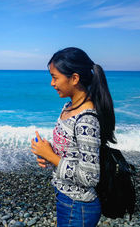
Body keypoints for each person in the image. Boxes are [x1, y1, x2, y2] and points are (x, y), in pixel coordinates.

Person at [31, 47, 116, 227]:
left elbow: (90, 177)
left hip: (78, 206)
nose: (52, 83)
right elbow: (70, 154)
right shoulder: (68, 107)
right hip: (66, 199)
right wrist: (47, 154)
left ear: (75, 78)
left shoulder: (86, 120)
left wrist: (51, 156)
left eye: (55, 77)